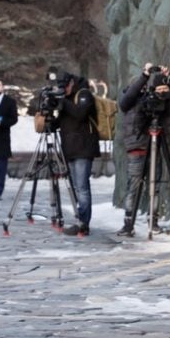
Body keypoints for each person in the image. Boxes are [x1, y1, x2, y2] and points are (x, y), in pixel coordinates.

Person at [116, 63, 170, 237]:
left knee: (156, 183)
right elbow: (125, 102)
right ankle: (128, 223)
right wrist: (145, 75)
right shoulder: (138, 99)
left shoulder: (169, 100)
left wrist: (168, 84)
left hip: (158, 146)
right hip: (139, 146)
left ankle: (155, 221)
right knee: (134, 185)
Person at [54, 71, 100, 236]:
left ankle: (83, 223)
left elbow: (80, 114)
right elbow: (58, 123)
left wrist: (63, 102)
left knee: (82, 187)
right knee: (76, 187)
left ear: (71, 83)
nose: (62, 89)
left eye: (64, 86)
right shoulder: (65, 99)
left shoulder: (84, 94)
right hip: (69, 149)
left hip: (83, 148)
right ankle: (80, 220)